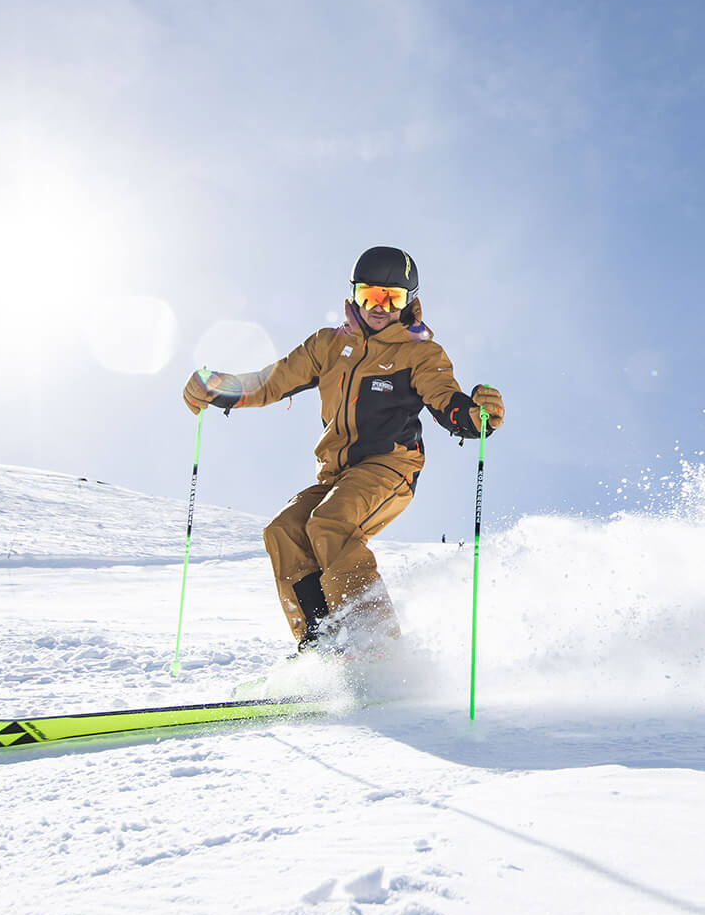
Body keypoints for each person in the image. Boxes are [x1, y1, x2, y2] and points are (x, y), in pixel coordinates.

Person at [183, 246, 505, 654]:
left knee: (329, 524)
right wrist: (219, 387)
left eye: (394, 299)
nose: (380, 308)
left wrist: (475, 414)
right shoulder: (327, 346)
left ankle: (376, 647)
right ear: (354, 294)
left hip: (391, 467)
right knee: (283, 530)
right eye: (371, 295)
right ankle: (321, 648)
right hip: (336, 474)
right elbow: (273, 380)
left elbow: (444, 398)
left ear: (410, 302)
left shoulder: (420, 352)